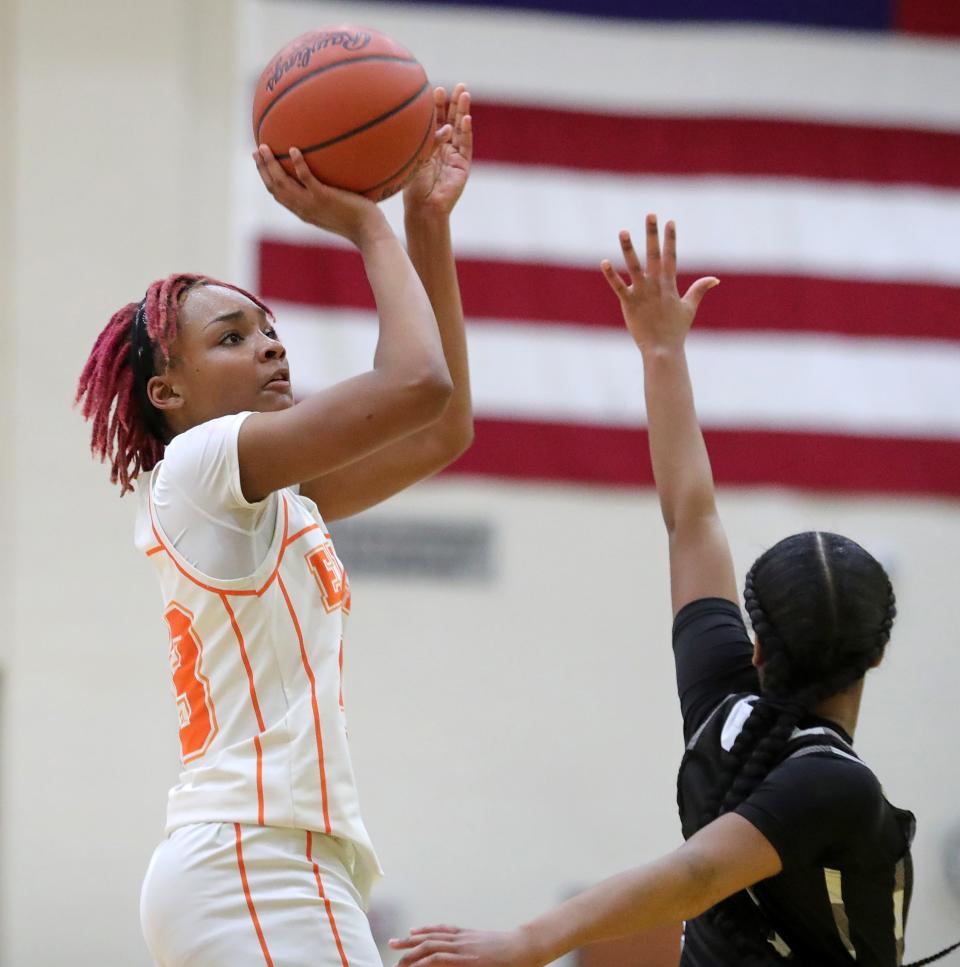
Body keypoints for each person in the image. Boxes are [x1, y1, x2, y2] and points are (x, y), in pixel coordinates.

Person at [389, 215, 937, 967]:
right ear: (876, 654)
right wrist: (527, 941)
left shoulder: (725, 705)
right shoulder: (828, 784)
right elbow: (696, 873)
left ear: (754, 645)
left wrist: (662, 351)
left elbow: (691, 519)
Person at [76, 86, 473, 967]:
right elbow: (418, 384)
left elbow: (444, 427)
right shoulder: (203, 464)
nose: (269, 346)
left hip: (267, 863)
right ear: (165, 393)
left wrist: (426, 226)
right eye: (231, 337)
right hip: (255, 859)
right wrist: (371, 225)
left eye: (269, 329)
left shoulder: (268, 498)